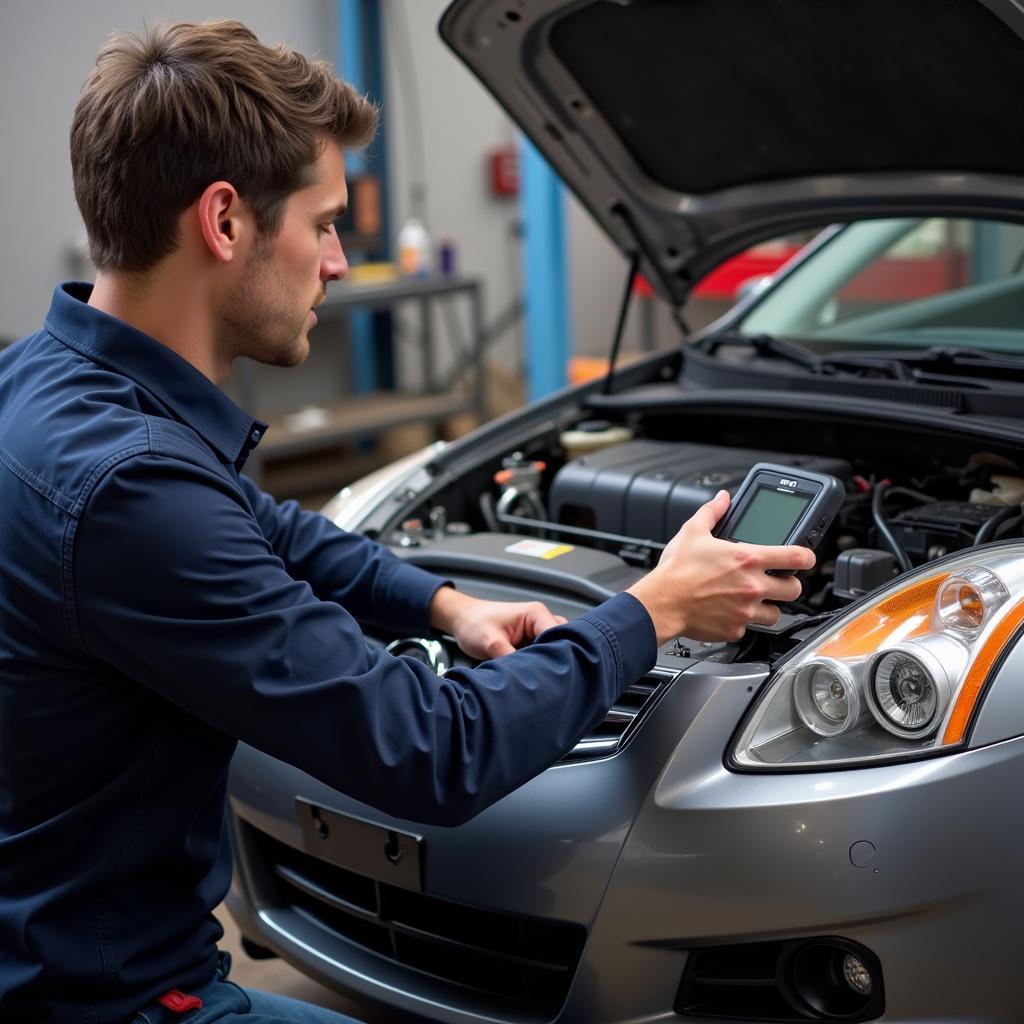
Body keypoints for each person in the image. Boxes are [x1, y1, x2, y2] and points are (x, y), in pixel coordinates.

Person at [0, 20, 815, 1024]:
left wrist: (444, 602)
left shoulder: (42, 382)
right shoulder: (135, 494)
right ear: (224, 221)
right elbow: (432, 750)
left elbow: (262, 524)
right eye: (325, 223)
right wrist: (650, 610)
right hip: (101, 998)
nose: (340, 262)